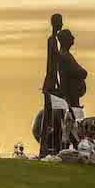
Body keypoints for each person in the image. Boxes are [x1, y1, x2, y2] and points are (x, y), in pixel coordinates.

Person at [40, 13, 63, 157]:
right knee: (49, 117)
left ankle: (49, 148)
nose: (61, 24)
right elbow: (51, 64)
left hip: (52, 81)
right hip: (50, 82)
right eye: (60, 22)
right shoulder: (52, 40)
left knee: (51, 116)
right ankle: (45, 149)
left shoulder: (54, 40)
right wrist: (54, 82)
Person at [56, 29, 88, 108]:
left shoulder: (66, 54)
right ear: (66, 39)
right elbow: (79, 71)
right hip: (70, 94)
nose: (73, 38)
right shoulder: (64, 56)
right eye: (70, 36)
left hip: (73, 94)